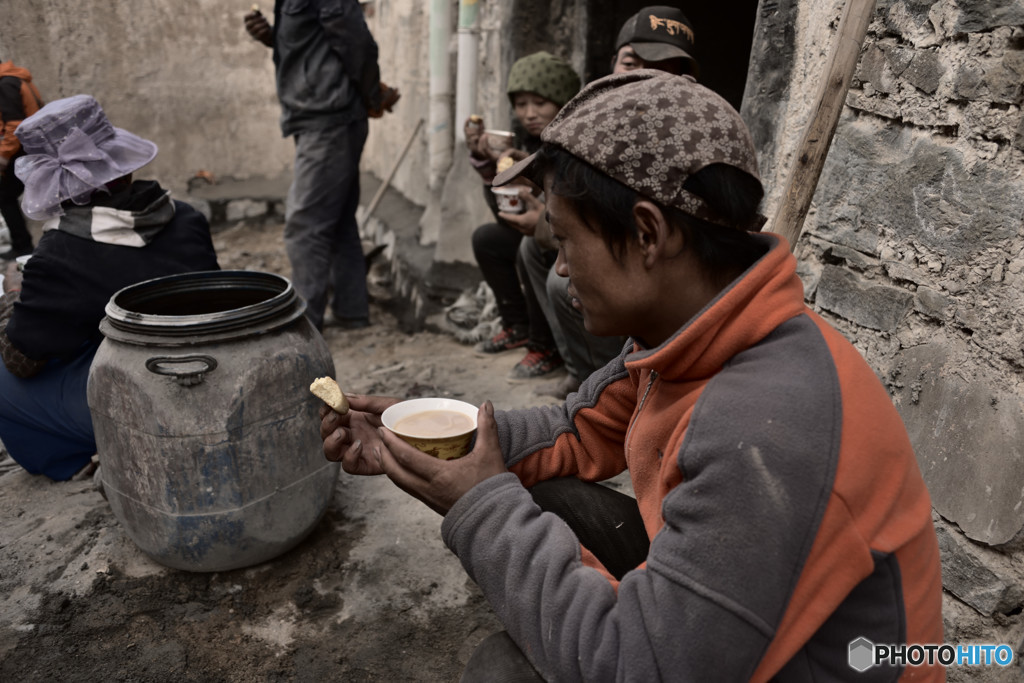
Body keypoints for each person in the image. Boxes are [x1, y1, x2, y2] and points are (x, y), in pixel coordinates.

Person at [319, 71, 944, 681]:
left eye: (566, 240)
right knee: (538, 495)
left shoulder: (763, 428)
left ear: (647, 233)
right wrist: (439, 438)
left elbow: (637, 666)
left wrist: (478, 505)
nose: (560, 270)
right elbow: (579, 430)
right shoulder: (688, 333)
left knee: (500, 668)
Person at [0, 94, 220, 481]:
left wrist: (13, 298)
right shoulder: (186, 218)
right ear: (120, 163)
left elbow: (23, 360)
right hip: (214, 378)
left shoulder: (60, 254)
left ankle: (68, 460)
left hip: (145, 405)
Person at [523, 6, 700, 399]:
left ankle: (610, 389)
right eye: (631, 63)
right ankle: (576, 366)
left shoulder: (684, 134)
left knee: (561, 281)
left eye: (664, 69)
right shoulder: (600, 120)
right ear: (612, 65)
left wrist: (545, 223)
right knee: (530, 249)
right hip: (612, 234)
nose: (643, 79)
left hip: (652, 254)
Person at [244, 1, 399, 331]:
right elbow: (316, 42)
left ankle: (304, 328)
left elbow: (356, 43)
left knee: (305, 226)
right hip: (321, 116)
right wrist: (274, 38)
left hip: (329, 120)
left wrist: (373, 95)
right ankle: (351, 311)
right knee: (337, 219)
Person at [465, 51, 579, 380]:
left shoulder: (572, 144)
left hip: (567, 241)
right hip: (543, 229)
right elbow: (504, 214)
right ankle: (517, 326)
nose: (529, 113)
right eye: (521, 104)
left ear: (562, 102)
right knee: (487, 239)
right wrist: (491, 168)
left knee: (530, 250)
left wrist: (539, 199)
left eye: (540, 103)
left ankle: (546, 347)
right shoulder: (529, 144)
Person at [0, 60, 44, 260]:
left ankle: (24, 247)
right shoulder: (15, 79)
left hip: (22, 150)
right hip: (30, 147)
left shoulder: (6, 84)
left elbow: (14, 125)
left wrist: (3, 155)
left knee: (4, 196)